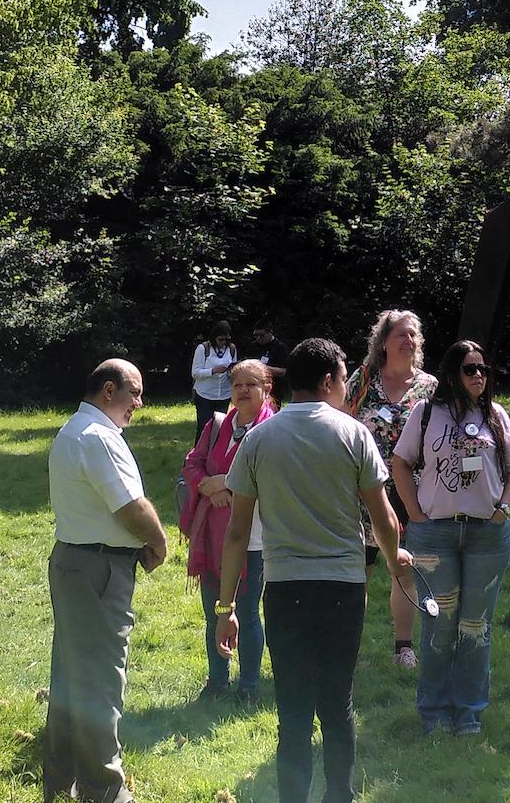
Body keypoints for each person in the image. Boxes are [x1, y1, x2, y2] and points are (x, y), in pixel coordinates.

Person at [216, 338, 411, 803]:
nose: (346, 388)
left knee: (294, 711)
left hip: (284, 590)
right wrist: (393, 558)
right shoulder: (353, 433)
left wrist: (226, 606)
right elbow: (383, 517)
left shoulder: (257, 439)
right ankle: (339, 796)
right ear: (328, 381)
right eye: (344, 379)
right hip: (343, 589)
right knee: (337, 704)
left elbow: (237, 532)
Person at [45, 359, 168, 803]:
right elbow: (130, 507)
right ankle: (104, 791)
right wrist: (159, 541)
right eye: (135, 393)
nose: (139, 403)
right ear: (109, 390)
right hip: (98, 569)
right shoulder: (98, 437)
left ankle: (61, 780)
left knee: (72, 675)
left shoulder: (73, 430)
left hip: (75, 562)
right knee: (99, 680)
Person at [392, 339, 510, 737]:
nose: (479, 376)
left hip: (487, 535)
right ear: (452, 374)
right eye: (470, 369)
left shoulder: (495, 415)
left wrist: (502, 507)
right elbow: (400, 463)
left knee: (475, 626)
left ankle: (469, 712)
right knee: (439, 626)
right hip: (435, 536)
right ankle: (433, 712)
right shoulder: (426, 413)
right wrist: (415, 514)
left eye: (484, 369)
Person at [344, 308, 436, 668]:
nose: (409, 341)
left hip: (410, 492)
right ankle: (349, 647)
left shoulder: (430, 387)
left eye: (413, 335)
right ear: (383, 341)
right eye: (401, 334)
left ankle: (403, 648)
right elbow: (340, 421)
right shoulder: (362, 380)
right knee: (358, 571)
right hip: (362, 490)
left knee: (404, 569)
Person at [180, 357, 274, 704]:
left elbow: (271, 478)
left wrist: (228, 486)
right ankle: (217, 680)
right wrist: (207, 484)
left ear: (266, 389)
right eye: (238, 385)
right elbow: (192, 463)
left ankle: (248, 686)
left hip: (253, 539)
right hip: (212, 536)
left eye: (252, 384)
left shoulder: (272, 429)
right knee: (214, 612)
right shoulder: (217, 424)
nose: (244, 390)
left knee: (246, 614)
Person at [190, 324, 237, 440]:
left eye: (226, 339)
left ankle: (216, 456)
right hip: (205, 395)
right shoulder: (203, 348)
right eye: (220, 339)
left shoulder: (231, 349)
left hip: (224, 395)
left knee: (220, 428)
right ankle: (198, 456)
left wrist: (232, 372)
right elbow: (195, 373)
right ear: (214, 337)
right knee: (204, 429)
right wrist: (213, 371)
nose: (223, 342)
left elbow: (234, 367)